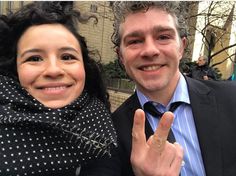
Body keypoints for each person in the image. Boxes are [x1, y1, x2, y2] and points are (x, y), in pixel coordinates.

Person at [111, 1, 236, 176]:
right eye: (135, 41)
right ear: (121, 57)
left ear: (182, 47)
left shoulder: (231, 99)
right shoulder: (110, 134)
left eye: (163, 37)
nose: (150, 50)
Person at [0, 1, 120, 175]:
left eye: (67, 56)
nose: (54, 70)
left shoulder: (103, 127)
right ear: (15, 69)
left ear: (84, 67)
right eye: (34, 58)